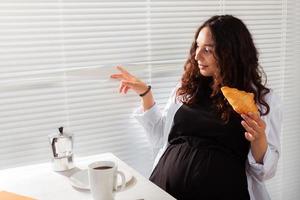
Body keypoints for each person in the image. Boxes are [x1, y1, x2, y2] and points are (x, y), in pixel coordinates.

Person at [110, 15, 282, 200]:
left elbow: (265, 173)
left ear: (231, 53)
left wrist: (259, 139)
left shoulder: (261, 101)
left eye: (207, 49)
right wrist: (146, 94)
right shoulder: (185, 89)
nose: (197, 55)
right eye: (197, 46)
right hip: (163, 191)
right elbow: (161, 139)